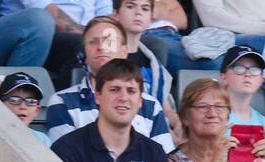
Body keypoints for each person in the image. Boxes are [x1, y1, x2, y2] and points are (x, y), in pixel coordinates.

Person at [43, 15, 174, 152]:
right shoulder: (62, 102)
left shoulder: (150, 105)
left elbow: (163, 160)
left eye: (109, 40)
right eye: (93, 42)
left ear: (125, 51)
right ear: (84, 55)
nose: (101, 47)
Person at [114, 0, 178, 134]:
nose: (138, 13)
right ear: (116, 15)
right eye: (131, 6)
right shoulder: (108, 59)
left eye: (145, 9)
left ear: (150, 19)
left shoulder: (153, 63)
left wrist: (178, 125)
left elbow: (165, 109)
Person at [220, 45, 265, 156]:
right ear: (223, 77)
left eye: (255, 69)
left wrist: (264, 161)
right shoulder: (211, 117)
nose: (248, 74)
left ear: (262, 79)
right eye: (239, 68)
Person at [0, 71, 52, 145]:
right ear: (0, 105)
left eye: (31, 101)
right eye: (15, 100)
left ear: (37, 110)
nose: (23, 106)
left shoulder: (42, 140)